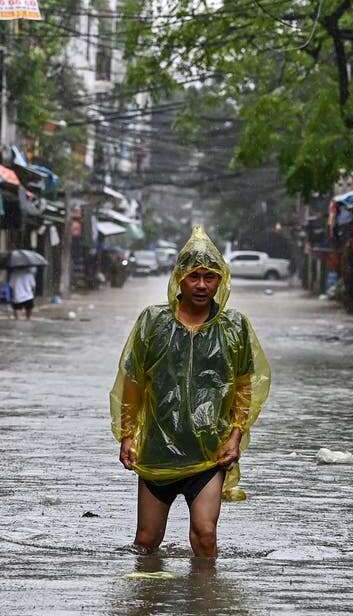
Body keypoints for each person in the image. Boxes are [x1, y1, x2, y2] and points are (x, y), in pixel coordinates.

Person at [110, 226, 271, 559]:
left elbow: (246, 386)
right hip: (157, 449)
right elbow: (132, 381)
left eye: (209, 277)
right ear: (179, 279)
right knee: (146, 540)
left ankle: (206, 600)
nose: (201, 285)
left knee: (205, 535)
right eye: (194, 276)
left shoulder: (234, 326)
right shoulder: (153, 322)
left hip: (209, 452)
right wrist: (128, 435)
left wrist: (235, 436)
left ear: (220, 281)